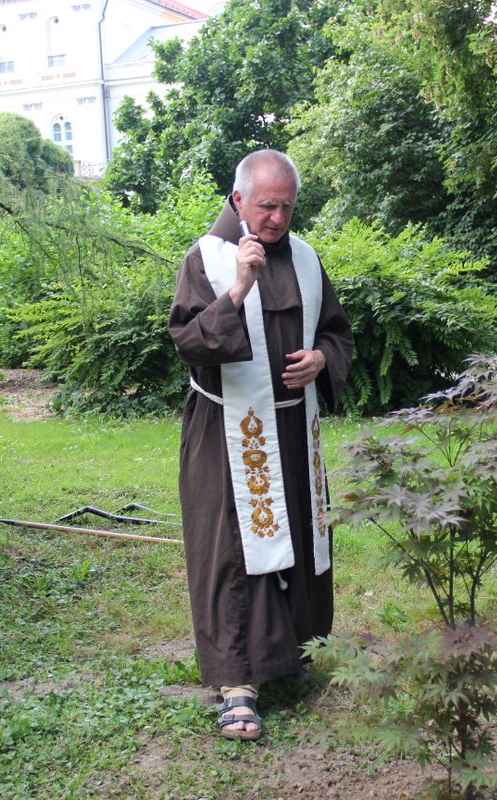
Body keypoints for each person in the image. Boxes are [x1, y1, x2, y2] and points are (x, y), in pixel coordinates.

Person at [167, 150, 354, 740]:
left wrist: (322, 357)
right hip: (230, 434)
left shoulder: (305, 256)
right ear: (238, 199)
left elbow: (336, 331)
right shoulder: (208, 258)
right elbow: (189, 342)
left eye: (287, 206)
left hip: (296, 427)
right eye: (267, 205)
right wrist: (240, 287)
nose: (276, 218)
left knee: (297, 537)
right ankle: (237, 682)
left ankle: (288, 656)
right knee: (232, 551)